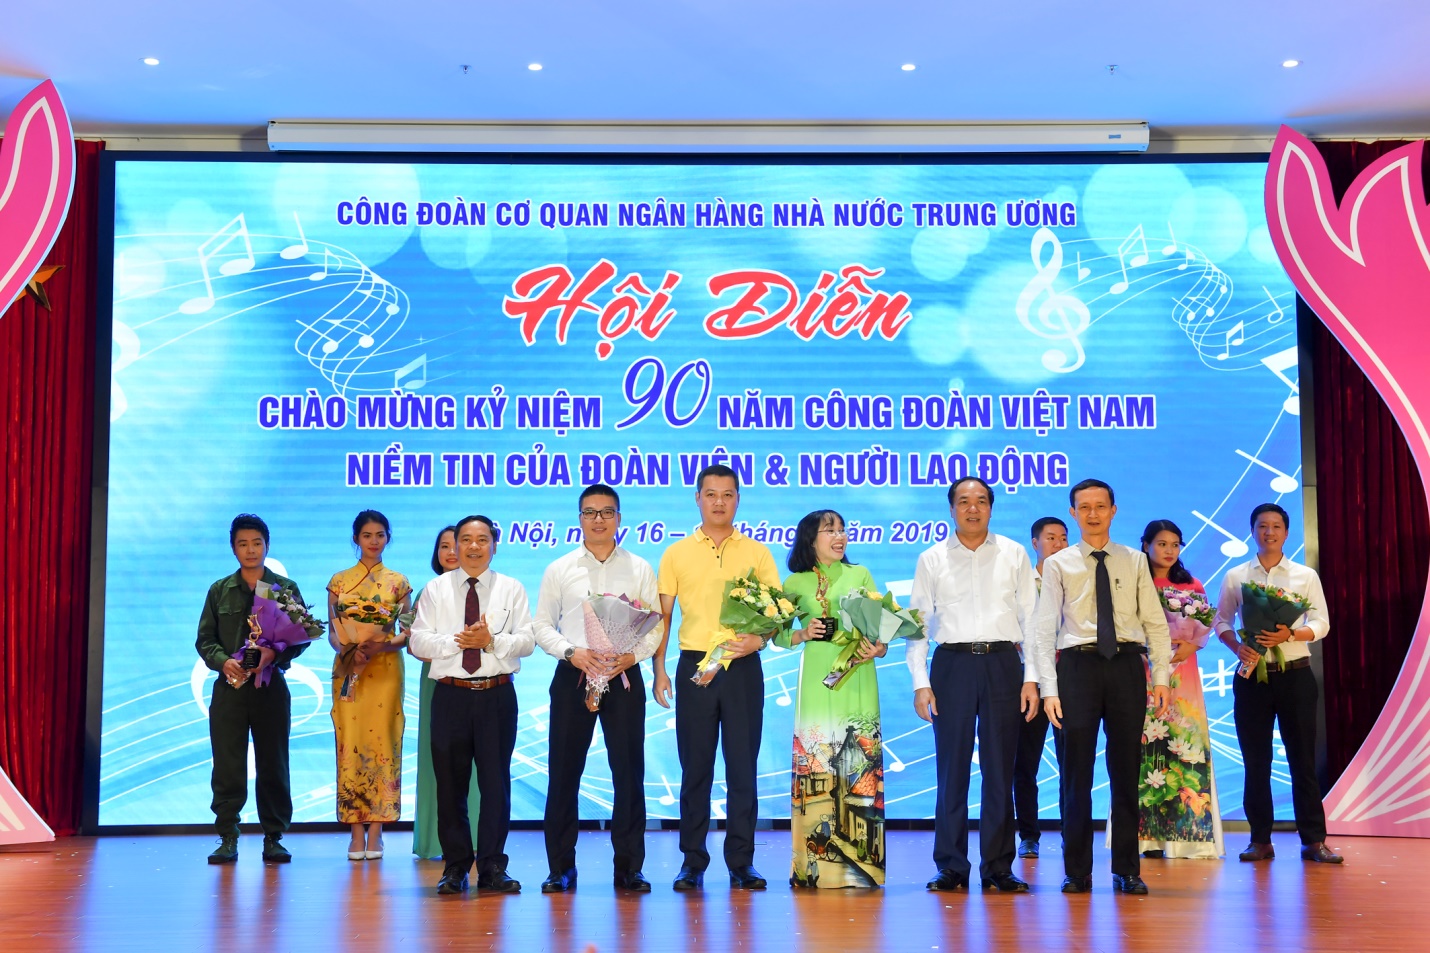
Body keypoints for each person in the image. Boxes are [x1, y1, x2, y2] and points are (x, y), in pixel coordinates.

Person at [1034, 479, 1172, 895]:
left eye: (1100, 506)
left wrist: (1161, 677)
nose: (1092, 514)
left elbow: (1155, 623)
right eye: (1084, 507)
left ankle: (1127, 869)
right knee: (1075, 774)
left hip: (1127, 664)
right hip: (1077, 668)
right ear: (1073, 513)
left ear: (1113, 510)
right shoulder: (1059, 564)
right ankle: (1077, 870)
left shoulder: (1134, 560)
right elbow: (1043, 629)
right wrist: (1048, 689)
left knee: (1126, 770)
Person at [651, 464, 781, 891]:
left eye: (727, 494)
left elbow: (776, 612)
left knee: (742, 768)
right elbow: (663, 618)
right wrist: (658, 669)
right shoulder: (676, 553)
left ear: (738, 499)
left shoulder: (757, 552)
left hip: (742, 667)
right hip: (695, 667)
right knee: (696, 769)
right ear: (698, 499)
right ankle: (692, 861)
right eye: (711, 494)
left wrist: (759, 640)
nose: (719, 502)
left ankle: (742, 862)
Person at [908, 478, 1040, 893]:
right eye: (963, 501)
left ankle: (998, 867)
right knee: (952, 769)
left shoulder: (1013, 554)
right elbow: (918, 625)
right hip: (952, 665)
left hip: (1003, 662)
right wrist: (920, 681)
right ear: (951, 509)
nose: (972, 508)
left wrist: (1032, 678)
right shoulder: (932, 558)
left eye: (981, 501)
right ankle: (951, 866)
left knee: (1000, 768)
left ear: (991, 508)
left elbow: (1032, 621)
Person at [531, 484, 661, 894]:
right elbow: (541, 625)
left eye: (607, 512)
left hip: (623, 676)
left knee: (629, 774)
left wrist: (632, 656)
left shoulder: (639, 567)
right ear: (580, 519)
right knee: (563, 774)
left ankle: (629, 868)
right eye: (590, 512)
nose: (599, 519)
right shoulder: (560, 568)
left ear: (619, 519)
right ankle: (560, 868)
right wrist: (572, 652)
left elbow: (655, 625)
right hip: (574, 675)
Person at [409, 515, 534, 894]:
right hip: (450, 696)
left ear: (494, 545)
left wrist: (490, 642)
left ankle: (493, 866)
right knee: (450, 785)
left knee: (496, 784)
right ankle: (455, 867)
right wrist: (460, 641)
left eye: (482, 539)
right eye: (466, 539)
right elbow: (418, 641)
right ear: (456, 545)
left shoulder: (512, 588)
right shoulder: (436, 589)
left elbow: (527, 641)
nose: (474, 546)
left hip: (497, 695)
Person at [1212, 503, 1341, 864]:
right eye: (1262, 526)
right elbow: (1221, 621)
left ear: (1286, 532)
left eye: (1276, 526)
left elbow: (1322, 623)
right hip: (1252, 677)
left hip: (1296, 676)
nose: (1269, 532)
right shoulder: (1236, 576)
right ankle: (1259, 840)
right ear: (1252, 530)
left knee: (1302, 760)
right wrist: (1236, 646)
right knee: (1256, 761)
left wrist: (1291, 634)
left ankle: (1313, 841)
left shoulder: (1304, 576)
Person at [779, 509, 886, 889]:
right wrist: (803, 633)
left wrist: (879, 646)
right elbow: (777, 634)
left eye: (842, 530)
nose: (839, 536)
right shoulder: (795, 581)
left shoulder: (861, 575)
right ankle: (810, 867)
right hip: (817, 678)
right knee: (817, 760)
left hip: (857, 674)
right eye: (830, 530)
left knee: (859, 765)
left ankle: (865, 867)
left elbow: (881, 631)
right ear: (811, 539)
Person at [195, 513, 309, 864]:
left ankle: (274, 836)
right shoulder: (220, 590)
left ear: (267, 545)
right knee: (227, 763)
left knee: (274, 762)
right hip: (229, 689)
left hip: (270, 688)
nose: (250, 550)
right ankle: (227, 836)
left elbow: (302, 637)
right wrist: (223, 661)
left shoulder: (283, 588)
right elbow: (205, 639)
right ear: (233, 548)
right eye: (243, 544)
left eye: (256, 543)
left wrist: (274, 654)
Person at [1129, 519, 1224, 859]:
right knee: (1145, 749)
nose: (1169, 550)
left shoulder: (1191, 584)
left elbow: (1205, 626)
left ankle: (1187, 837)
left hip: (1183, 674)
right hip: (1144, 672)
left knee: (1186, 744)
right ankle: (1147, 838)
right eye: (1162, 544)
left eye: (1175, 544)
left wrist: (1191, 645)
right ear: (1146, 545)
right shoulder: (1135, 580)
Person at [326, 510, 411, 861]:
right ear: (356, 539)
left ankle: (376, 830)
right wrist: (348, 650)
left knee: (384, 742)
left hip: (385, 670)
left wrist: (381, 645)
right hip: (350, 670)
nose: (374, 541)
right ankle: (354, 829)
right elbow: (333, 632)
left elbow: (407, 633)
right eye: (367, 535)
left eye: (380, 535)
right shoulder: (339, 582)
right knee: (351, 742)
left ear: (388, 537)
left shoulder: (399, 583)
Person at [411, 526, 479, 861]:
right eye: (444, 546)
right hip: (437, 682)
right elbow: (416, 645)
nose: (451, 552)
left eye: (458, 544)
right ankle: (437, 842)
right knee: (438, 761)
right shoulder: (429, 592)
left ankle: (479, 839)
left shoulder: (490, 589)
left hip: (481, 687)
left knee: (479, 763)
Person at [1014, 516, 1068, 859]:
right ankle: (1029, 835)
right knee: (1025, 763)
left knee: (1071, 763)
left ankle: (1070, 832)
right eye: (1051, 538)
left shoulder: (1074, 579)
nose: (1059, 544)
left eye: (1063, 538)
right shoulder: (1021, 583)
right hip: (1029, 682)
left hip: (1069, 679)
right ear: (1035, 543)